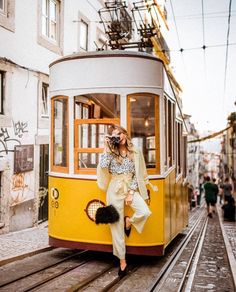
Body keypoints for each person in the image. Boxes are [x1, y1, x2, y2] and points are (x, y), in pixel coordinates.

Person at [97, 125, 156, 277]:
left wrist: (131, 193)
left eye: (120, 133)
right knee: (116, 227)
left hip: (129, 187)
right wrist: (106, 147)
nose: (118, 137)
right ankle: (122, 261)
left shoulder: (135, 152)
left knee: (144, 211)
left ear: (125, 134)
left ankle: (129, 222)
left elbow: (138, 174)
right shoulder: (110, 151)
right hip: (114, 190)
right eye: (115, 135)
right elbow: (103, 167)